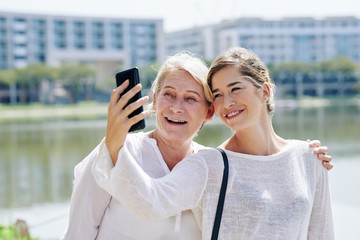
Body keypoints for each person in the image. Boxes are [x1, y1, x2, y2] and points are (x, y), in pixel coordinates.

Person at [92, 47, 334, 239]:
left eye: (235, 89)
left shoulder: (309, 157)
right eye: (217, 95)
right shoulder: (209, 165)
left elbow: (322, 234)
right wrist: (115, 139)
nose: (226, 102)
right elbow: (150, 202)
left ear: (265, 91)